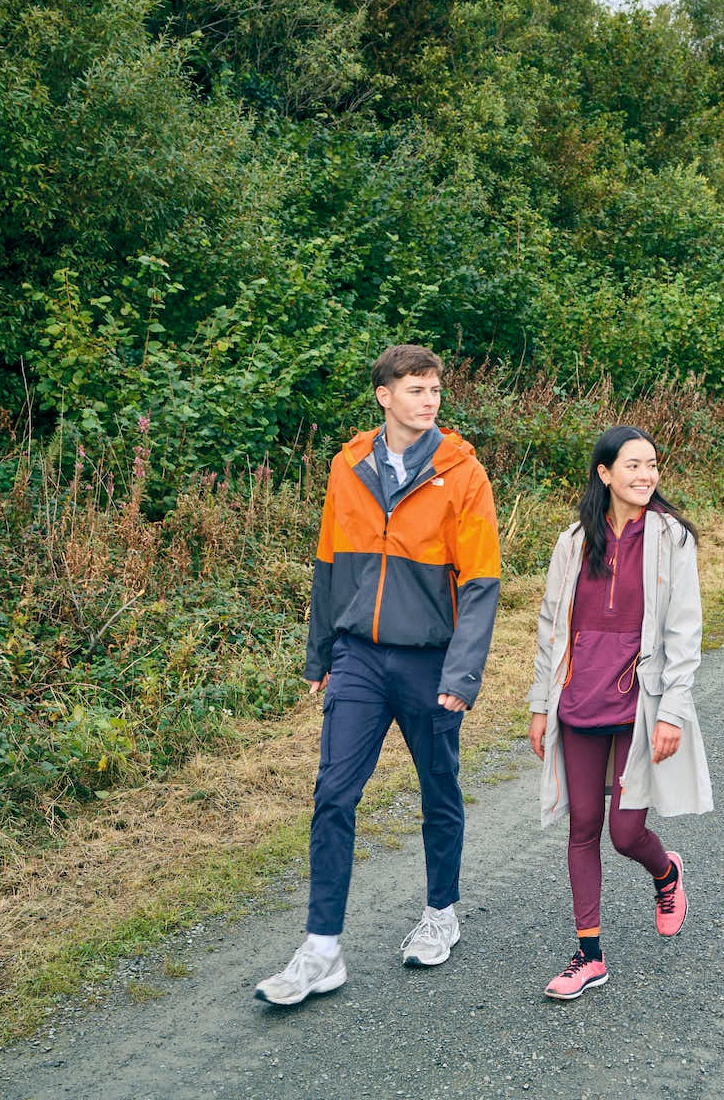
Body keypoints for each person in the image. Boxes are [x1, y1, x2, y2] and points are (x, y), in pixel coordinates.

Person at [255, 344, 501, 1006]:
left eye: (435, 389)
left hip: (430, 659)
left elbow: (481, 583)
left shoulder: (463, 472)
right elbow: (329, 565)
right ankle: (321, 949)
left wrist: (463, 670)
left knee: (438, 786)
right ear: (383, 395)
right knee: (334, 792)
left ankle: (441, 911)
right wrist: (319, 657)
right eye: (416, 389)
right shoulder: (348, 466)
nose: (429, 399)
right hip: (359, 655)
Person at [526, 425, 712, 1000]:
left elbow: (684, 630)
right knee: (582, 827)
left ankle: (666, 873)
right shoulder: (572, 542)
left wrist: (672, 713)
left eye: (652, 465)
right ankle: (589, 954)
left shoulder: (673, 538)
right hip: (580, 698)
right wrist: (540, 705)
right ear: (604, 474)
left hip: (639, 700)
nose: (645, 475)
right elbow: (551, 629)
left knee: (625, 831)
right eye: (632, 465)